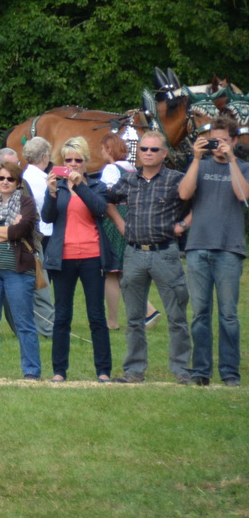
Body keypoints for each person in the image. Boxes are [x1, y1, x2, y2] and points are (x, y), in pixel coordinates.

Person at [103, 128, 192, 383]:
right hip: (134, 254)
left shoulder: (176, 179)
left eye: (154, 149)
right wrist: (121, 224)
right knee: (133, 318)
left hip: (165, 253)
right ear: (138, 153)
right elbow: (109, 200)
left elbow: (200, 203)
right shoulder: (129, 179)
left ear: (164, 154)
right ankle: (134, 370)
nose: (149, 153)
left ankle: (181, 369)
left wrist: (184, 225)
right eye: (144, 149)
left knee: (176, 316)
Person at [179, 123, 248, 386]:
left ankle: (230, 373)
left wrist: (231, 159)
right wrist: (196, 158)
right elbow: (184, 193)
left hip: (229, 249)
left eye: (223, 140)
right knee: (200, 313)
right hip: (197, 247)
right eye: (213, 140)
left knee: (228, 315)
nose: (218, 145)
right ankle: (201, 372)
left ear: (233, 140)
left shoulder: (243, 167)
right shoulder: (200, 164)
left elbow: (243, 195)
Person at [41, 138, 113, 382]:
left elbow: (99, 209)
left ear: (86, 163)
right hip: (64, 257)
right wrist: (51, 192)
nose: (72, 164)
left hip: (92, 256)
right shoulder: (57, 187)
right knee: (62, 316)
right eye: (68, 160)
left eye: (77, 160)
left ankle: (103, 371)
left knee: (96, 315)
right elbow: (47, 218)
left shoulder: (96, 186)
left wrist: (80, 185)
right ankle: (59, 371)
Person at [0, 160, 41, 378]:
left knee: (24, 322)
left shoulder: (26, 203)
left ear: (18, 182)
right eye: (1, 178)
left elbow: (20, 231)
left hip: (18, 271)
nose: (4, 182)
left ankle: (31, 371)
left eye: (10, 178)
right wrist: (8, 229)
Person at [21, 136, 57, 339]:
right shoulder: (40, 180)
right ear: (44, 156)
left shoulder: (27, 175)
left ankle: (40, 323)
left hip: (36, 232)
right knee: (42, 281)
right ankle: (47, 325)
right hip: (43, 234)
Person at [97, 132, 132, 330]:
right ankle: (146, 311)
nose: (101, 152)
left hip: (114, 216)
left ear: (109, 149)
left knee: (111, 269)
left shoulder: (111, 169)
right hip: (130, 214)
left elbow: (108, 195)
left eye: (102, 149)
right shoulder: (131, 168)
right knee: (123, 268)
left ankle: (112, 320)